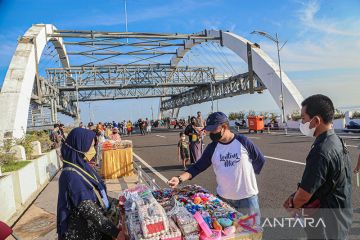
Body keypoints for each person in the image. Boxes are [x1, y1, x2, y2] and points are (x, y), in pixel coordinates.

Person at [169, 112, 265, 225]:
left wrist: (247, 176)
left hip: (247, 199)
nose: (210, 133)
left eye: (213, 130)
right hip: (223, 200)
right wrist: (179, 178)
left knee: (252, 233)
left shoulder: (243, 141)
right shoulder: (212, 147)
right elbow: (197, 167)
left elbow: (260, 159)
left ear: (224, 127)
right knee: (227, 234)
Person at [283, 94, 352, 239]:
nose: (301, 122)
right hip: (340, 217)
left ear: (316, 121)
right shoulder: (336, 141)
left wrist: (292, 204)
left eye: (303, 118)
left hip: (325, 224)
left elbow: (304, 195)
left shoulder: (321, 151)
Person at [57, 128, 121, 240]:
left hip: (95, 229)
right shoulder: (71, 175)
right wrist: (115, 232)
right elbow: (89, 209)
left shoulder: (83, 166)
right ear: (79, 147)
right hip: (84, 233)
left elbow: (97, 194)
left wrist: (119, 202)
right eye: (90, 147)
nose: (93, 150)